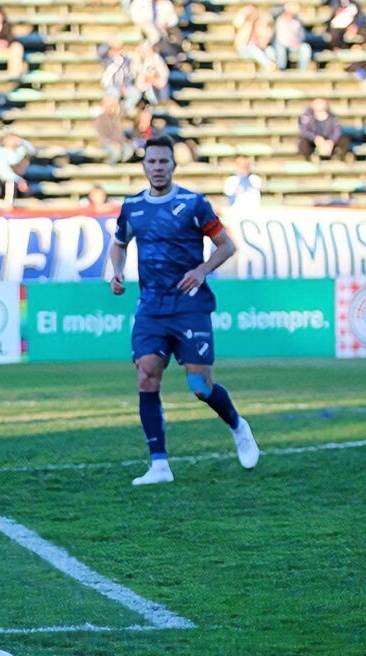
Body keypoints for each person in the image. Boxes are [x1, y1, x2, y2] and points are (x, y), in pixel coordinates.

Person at [108, 136, 259, 485]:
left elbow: (226, 245)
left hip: (190, 307)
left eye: (164, 162)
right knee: (147, 374)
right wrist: (115, 270)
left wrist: (202, 269)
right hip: (151, 307)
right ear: (144, 166)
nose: (158, 168)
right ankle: (159, 464)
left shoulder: (194, 204)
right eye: (152, 162)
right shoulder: (132, 207)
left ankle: (238, 426)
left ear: (174, 166)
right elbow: (118, 245)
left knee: (200, 387)